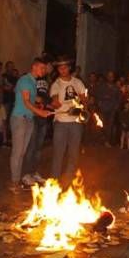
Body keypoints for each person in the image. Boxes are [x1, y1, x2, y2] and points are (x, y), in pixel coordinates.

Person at [10, 58, 52, 193]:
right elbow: (27, 101)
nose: (44, 71)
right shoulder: (25, 80)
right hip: (20, 119)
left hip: (28, 119)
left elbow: (34, 99)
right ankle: (14, 183)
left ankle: (18, 180)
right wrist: (40, 111)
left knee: (22, 152)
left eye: (45, 69)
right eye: (42, 68)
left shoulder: (33, 82)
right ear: (34, 67)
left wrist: (49, 104)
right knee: (17, 153)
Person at [49, 56, 88, 185]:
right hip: (61, 122)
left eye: (64, 67)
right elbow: (55, 100)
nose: (62, 70)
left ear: (69, 68)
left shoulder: (77, 82)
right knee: (58, 152)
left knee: (74, 152)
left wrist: (82, 108)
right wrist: (55, 103)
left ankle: (69, 179)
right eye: (60, 68)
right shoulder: (56, 84)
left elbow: (84, 99)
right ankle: (54, 181)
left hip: (76, 122)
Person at [22, 57, 53, 187]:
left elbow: (46, 97)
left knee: (39, 147)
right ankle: (25, 174)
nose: (47, 69)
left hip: (43, 116)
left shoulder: (47, 80)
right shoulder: (30, 78)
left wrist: (48, 104)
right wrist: (37, 103)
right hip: (33, 115)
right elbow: (29, 97)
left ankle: (34, 171)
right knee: (31, 145)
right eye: (46, 66)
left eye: (48, 67)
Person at [95, 71, 122, 147]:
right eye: (109, 76)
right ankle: (101, 139)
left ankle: (107, 141)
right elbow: (97, 96)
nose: (110, 77)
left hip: (111, 110)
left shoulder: (116, 88)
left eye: (112, 76)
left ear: (114, 78)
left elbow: (119, 98)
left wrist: (116, 107)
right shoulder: (102, 86)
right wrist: (99, 103)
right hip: (103, 108)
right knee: (101, 125)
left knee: (109, 125)